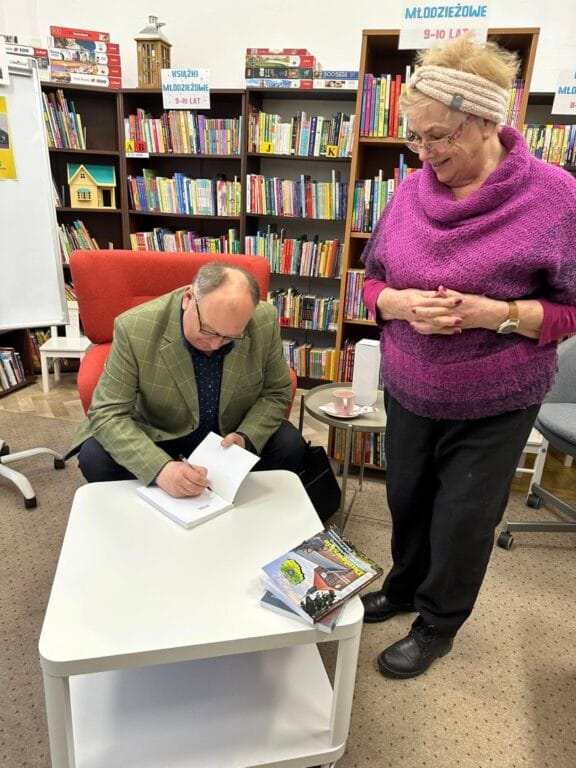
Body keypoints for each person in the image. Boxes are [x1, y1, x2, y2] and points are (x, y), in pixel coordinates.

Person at [360, 33, 576, 679]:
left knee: (462, 518)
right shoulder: (409, 192)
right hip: (407, 385)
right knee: (405, 497)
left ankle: (436, 623)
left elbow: (572, 308)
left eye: (439, 138)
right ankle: (401, 587)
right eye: (415, 139)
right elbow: (371, 282)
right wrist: (396, 305)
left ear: (485, 122)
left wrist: (499, 315)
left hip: (496, 399)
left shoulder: (557, 198)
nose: (425, 153)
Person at [69, 262, 307, 496]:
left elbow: (276, 391)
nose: (214, 345)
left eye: (230, 337)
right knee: (95, 458)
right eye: (208, 331)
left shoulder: (264, 320)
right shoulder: (134, 328)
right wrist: (159, 469)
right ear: (188, 298)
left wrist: (245, 438)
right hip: (160, 433)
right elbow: (107, 412)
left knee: (290, 445)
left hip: (228, 437)